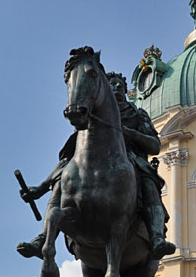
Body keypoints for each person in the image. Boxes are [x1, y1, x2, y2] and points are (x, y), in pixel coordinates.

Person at [16, 71, 175, 261]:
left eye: (119, 85)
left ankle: (156, 237)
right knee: (65, 173)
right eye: (112, 84)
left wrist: (130, 134)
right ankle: (43, 239)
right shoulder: (91, 116)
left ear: (125, 90)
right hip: (93, 160)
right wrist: (40, 188)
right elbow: (75, 147)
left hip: (130, 158)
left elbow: (155, 146)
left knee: (149, 182)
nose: (116, 87)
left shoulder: (137, 114)